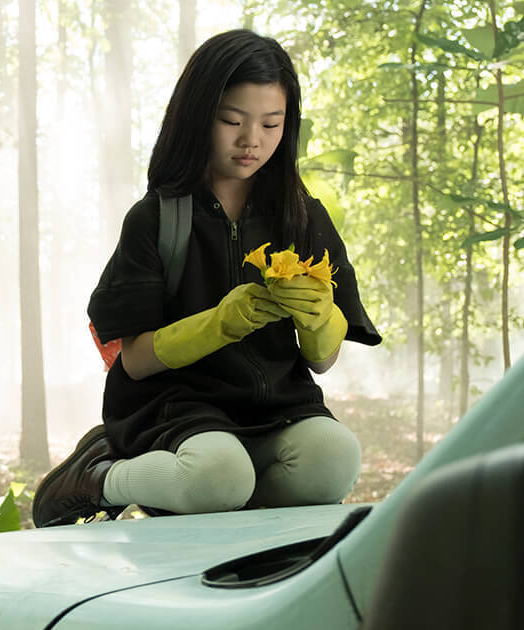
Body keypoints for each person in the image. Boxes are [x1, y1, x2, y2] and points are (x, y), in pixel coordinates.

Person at [34, 28, 381, 527]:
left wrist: (320, 316)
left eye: (271, 123)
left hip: (278, 405)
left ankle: (224, 495)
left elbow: (322, 362)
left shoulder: (303, 219)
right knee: (217, 475)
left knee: (334, 461)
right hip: (176, 407)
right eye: (231, 120)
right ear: (198, 117)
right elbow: (133, 360)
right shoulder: (157, 220)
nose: (251, 141)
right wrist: (220, 322)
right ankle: (100, 475)